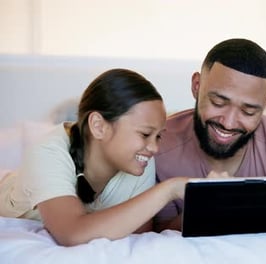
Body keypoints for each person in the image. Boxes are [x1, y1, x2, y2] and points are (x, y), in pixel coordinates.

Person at [154, 38, 266, 240]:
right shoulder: (157, 145)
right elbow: (155, 232)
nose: (229, 123)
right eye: (218, 102)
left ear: (265, 104)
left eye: (248, 111)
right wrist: (204, 209)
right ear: (196, 85)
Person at [0, 68, 190, 246]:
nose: (154, 148)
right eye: (145, 134)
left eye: (158, 136)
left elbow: (138, 235)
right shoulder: (48, 152)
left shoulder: (141, 162)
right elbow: (71, 233)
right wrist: (168, 190)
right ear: (99, 126)